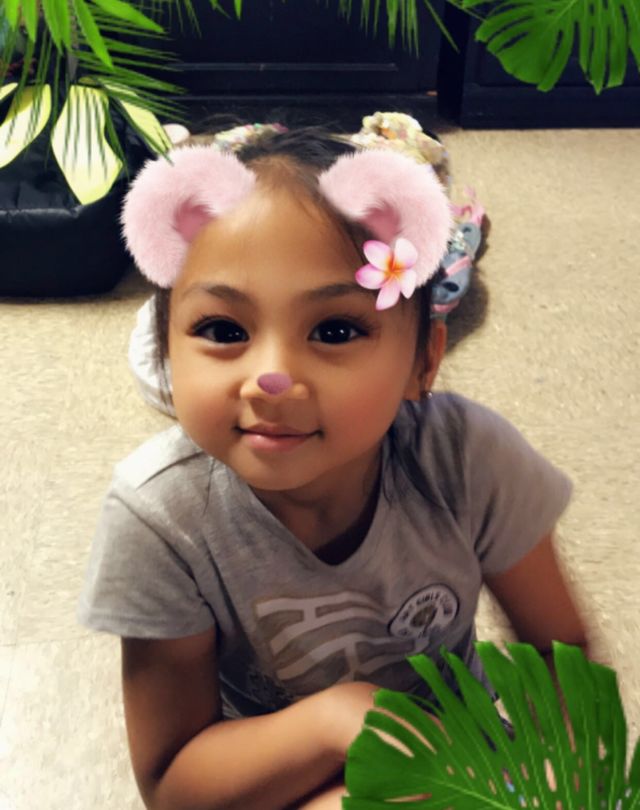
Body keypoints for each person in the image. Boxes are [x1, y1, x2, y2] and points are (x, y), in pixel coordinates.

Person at [77, 114, 591, 810]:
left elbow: (561, 660)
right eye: (223, 329)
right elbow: (174, 784)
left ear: (425, 362)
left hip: (464, 759)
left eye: (335, 329)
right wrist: (337, 722)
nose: (272, 378)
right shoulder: (160, 518)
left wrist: (551, 779)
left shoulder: (470, 460)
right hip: (276, 776)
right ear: (165, 355)